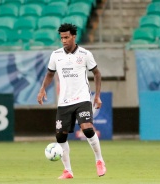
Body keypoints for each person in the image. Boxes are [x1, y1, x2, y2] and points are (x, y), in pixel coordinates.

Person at [37, 23, 106, 179]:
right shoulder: (56, 55)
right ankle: (68, 170)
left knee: (87, 129)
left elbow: (97, 73)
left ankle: (99, 160)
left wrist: (97, 95)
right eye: (61, 38)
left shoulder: (85, 54)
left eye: (66, 37)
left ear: (74, 36)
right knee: (60, 136)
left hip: (82, 98)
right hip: (64, 102)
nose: (64, 40)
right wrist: (42, 89)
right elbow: (49, 74)